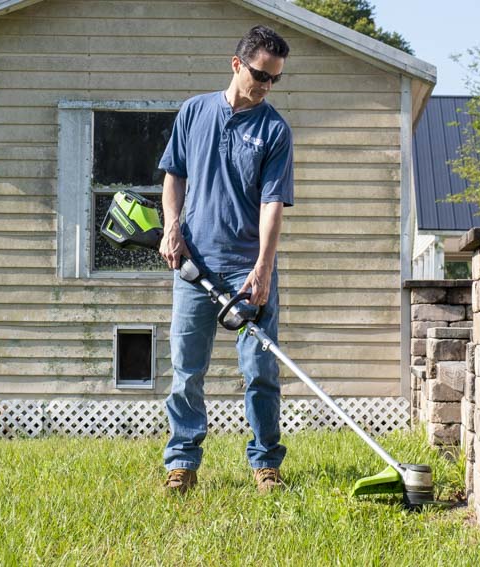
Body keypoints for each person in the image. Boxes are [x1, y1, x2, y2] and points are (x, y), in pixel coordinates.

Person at [157, 25, 293, 494]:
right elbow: (174, 176)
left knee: (260, 371)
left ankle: (266, 463)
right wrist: (172, 227)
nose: (266, 85)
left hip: (247, 269)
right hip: (194, 265)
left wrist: (264, 270)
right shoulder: (194, 112)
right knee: (186, 370)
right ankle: (182, 462)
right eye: (261, 74)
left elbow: (271, 204)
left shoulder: (274, 129)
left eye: (275, 78)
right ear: (237, 64)